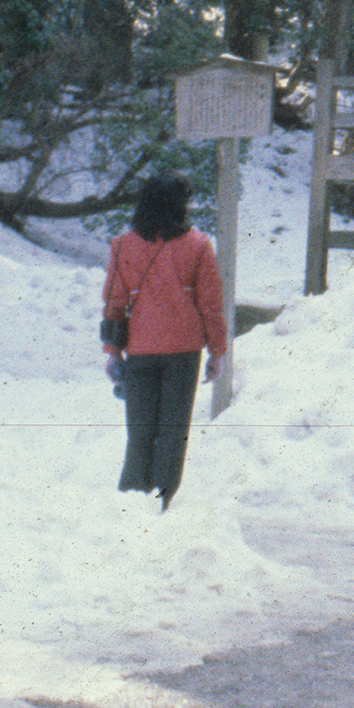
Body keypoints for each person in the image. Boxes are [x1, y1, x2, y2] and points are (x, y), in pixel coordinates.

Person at [102, 174, 230, 508]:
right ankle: (161, 502)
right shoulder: (198, 245)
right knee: (173, 433)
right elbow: (210, 305)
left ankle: (130, 502)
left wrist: (113, 353)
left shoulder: (123, 245)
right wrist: (217, 351)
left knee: (140, 431)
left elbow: (114, 303)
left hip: (140, 349)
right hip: (184, 350)